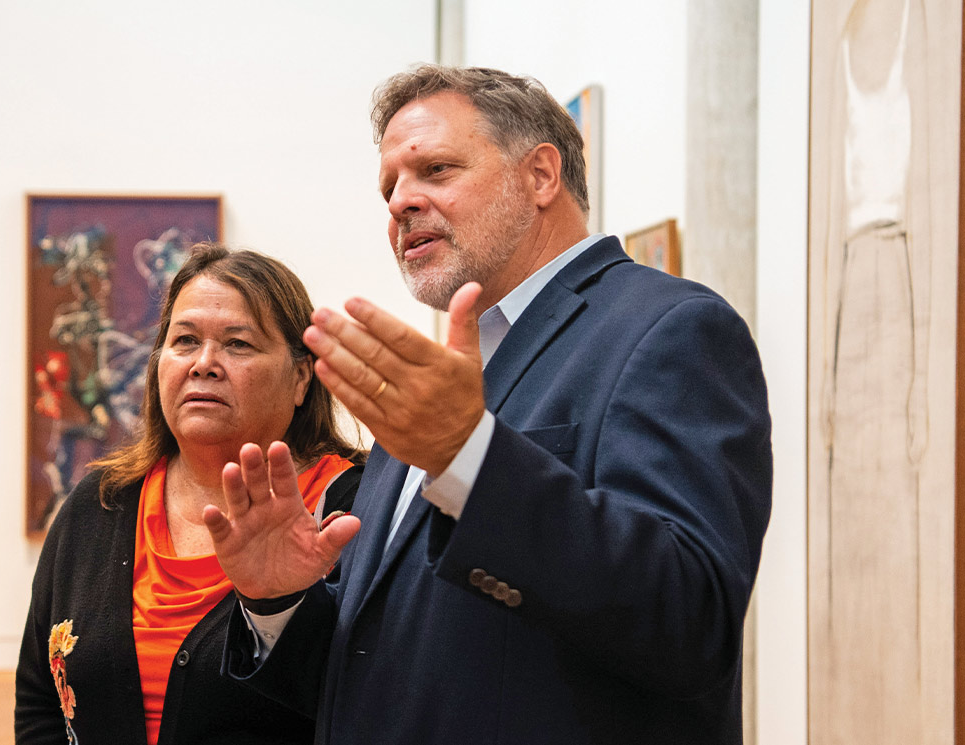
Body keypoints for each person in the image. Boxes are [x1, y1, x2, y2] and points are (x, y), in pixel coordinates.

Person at [203, 65, 773, 744]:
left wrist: (470, 458)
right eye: (389, 188)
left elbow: (689, 620)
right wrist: (280, 600)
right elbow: (376, 671)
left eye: (435, 170)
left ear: (539, 175)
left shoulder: (668, 329)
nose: (399, 203)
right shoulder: (436, 381)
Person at [16, 244, 367, 745]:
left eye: (238, 344)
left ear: (301, 378)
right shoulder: (102, 501)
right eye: (184, 341)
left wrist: (278, 605)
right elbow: (40, 699)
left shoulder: (355, 508)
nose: (204, 364)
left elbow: (374, 700)